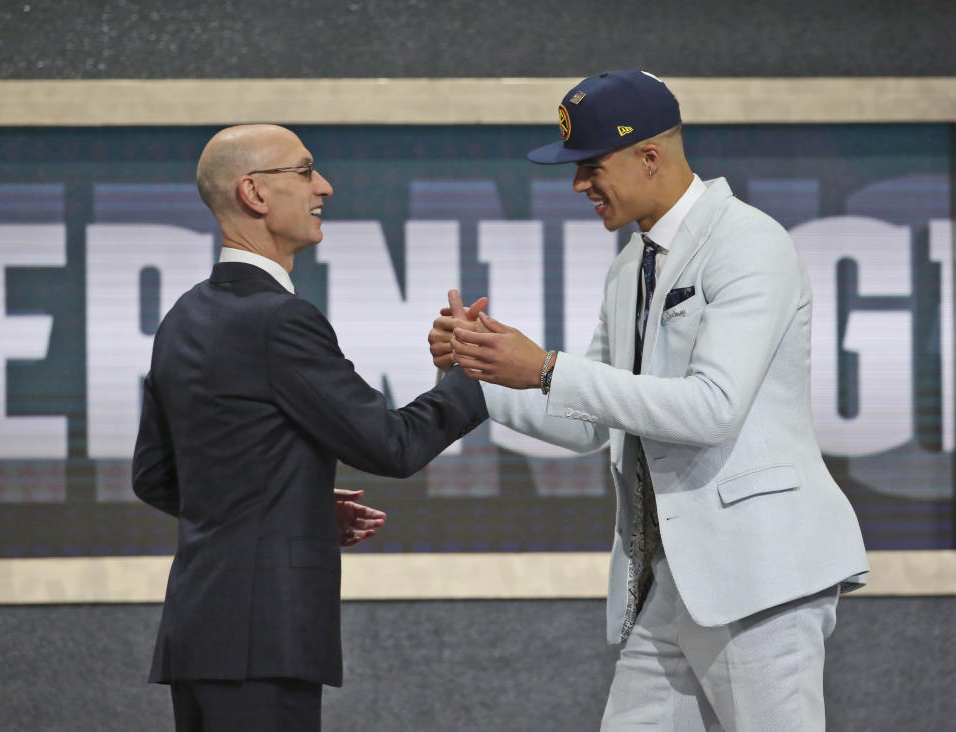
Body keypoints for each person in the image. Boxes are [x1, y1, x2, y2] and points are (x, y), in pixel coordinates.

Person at [430, 70, 869, 730]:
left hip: (757, 573)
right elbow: (590, 424)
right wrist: (484, 373)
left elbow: (710, 408)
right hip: (671, 583)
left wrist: (547, 367)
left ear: (650, 156)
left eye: (590, 166)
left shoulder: (748, 244)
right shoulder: (629, 264)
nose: (579, 185)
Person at [133, 124, 487, 731]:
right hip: (261, 639)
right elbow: (391, 445)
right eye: (303, 171)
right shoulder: (279, 319)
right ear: (255, 193)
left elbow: (156, 477)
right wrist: (469, 372)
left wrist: (292, 505)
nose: (323, 185)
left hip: (200, 634)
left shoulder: (183, 316)